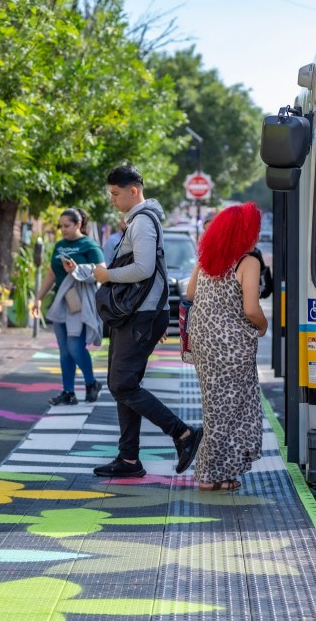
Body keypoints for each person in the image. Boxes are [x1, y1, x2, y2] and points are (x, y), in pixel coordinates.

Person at [92, 165, 202, 478]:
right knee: (125, 385)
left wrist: (106, 275)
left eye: (115, 193)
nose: (112, 199)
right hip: (138, 315)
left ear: (134, 191)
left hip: (139, 315)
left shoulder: (142, 221)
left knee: (122, 383)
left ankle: (182, 434)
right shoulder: (144, 219)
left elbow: (143, 268)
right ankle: (128, 459)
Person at [185, 202, 268, 491]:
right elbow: (251, 308)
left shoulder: (208, 258)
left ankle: (217, 472)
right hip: (232, 344)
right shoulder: (248, 262)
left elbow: (191, 293)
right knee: (233, 409)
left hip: (204, 340)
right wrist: (262, 326)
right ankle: (210, 475)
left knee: (215, 406)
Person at [32, 208, 105, 406]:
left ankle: (91, 383)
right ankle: (68, 392)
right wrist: (38, 298)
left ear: (78, 224)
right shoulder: (59, 245)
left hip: (79, 302)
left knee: (75, 347)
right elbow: (51, 274)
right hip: (62, 301)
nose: (63, 230)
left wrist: (78, 269)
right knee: (64, 350)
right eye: (61, 226)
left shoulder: (89, 245)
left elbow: (103, 272)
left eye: (67, 226)